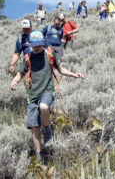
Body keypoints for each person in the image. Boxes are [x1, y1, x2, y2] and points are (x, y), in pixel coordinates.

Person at [10, 30, 84, 164]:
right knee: (34, 128)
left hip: (48, 90)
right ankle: (39, 155)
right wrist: (15, 80)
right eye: (34, 45)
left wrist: (74, 74)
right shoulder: (27, 57)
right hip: (32, 95)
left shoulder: (50, 54)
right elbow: (21, 74)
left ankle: (47, 129)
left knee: (44, 107)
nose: (37, 47)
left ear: (43, 43)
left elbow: (60, 70)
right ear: (30, 45)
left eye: (39, 44)